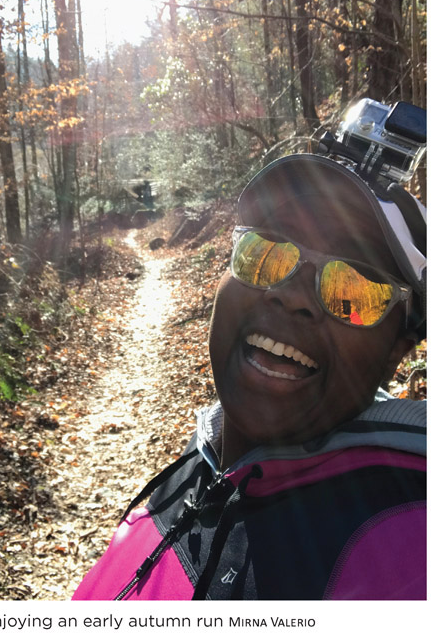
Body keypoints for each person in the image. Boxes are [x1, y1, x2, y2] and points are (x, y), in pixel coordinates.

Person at [73, 153, 426, 600]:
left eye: (353, 290)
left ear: (397, 351)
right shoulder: (193, 469)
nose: (292, 295)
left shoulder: (405, 542)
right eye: (267, 252)